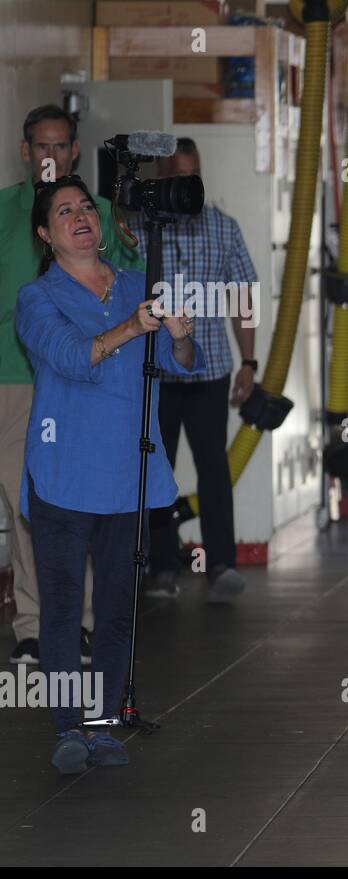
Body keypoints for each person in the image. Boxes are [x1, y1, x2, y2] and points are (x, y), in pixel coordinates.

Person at [17, 175, 204, 773]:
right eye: (63, 211)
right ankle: (68, 727)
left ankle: (102, 726)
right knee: (66, 607)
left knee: (120, 607)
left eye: (86, 208)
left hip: (129, 474)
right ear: (46, 234)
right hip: (65, 476)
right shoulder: (37, 298)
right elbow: (74, 357)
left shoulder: (134, 286)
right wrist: (134, 327)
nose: (80, 216)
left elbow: (181, 364)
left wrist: (178, 336)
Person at [0, 105, 140, 666]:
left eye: (60, 147)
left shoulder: (101, 212)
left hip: (75, 377)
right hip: (14, 374)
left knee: (69, 499)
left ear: (75, 151)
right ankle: (36, 625)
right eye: (41, 147)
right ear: (25, 151)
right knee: (25, 502)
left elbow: (132, 279)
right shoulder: (9, 211)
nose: (50, 156)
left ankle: (75, 623)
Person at [135, 138, 255, 604]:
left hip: (211, 373)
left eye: (194, 175)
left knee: (214, 469)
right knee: (157, 471)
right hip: (158, 374)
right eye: (179, 176)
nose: (188, 184)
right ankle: (162, 567)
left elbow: (243, 298)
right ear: (163, 177)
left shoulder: (224, 228)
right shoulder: (141, 230)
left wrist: (249, 362)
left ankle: (220, 563)